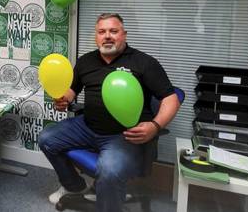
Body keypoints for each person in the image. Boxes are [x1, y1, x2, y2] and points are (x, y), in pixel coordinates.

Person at [38, 13, 181, 212]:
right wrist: (65, 99)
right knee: (46, 138)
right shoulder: (85, 61)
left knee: (109, 170)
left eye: (113, 31)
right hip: (87, 126)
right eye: (102, 32)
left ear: (124, 34)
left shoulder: (144, 62)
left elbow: (170, 98)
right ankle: (75, 186)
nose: (107, 36)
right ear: (95, 37)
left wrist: (155, 126)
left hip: (125, 134)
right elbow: (73, 89)